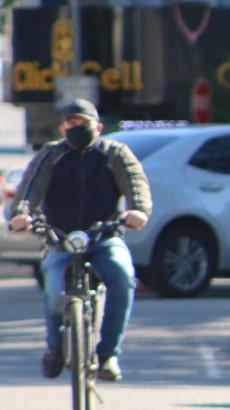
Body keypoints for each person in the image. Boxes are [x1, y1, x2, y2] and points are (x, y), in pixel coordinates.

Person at [6, 99, 151, 382]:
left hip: (104, 236)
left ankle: (108, 354)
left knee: (122, 276)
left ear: (97, 126)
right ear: (62, 128)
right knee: (53, 292)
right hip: (60, 239)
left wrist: (138, 211)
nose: (77, 129)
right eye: (71, 124)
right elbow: (28, 191)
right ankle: (54, 347)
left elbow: (135, 183)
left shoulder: (115, 153)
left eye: (83, 124)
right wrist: (21, 215)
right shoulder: (50, 155)